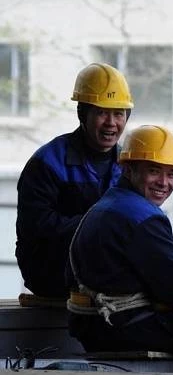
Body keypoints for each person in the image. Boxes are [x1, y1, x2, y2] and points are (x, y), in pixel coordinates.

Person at [66, 125, 173, 353]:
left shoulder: (107, 205)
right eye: (154, 171)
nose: (164, 182)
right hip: (124, 327)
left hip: (96, 325)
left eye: (171, 174)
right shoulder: (141, 217)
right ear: (128, 170)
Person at [16, 63, 133, 299]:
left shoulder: (128, 165)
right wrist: (98, 225)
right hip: (51, 273)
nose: (111, 122)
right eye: (102, 112)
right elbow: (36, 227)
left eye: (118, 113)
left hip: (103, 275)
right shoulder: (47, 162)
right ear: (82, 114)